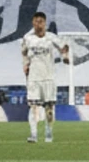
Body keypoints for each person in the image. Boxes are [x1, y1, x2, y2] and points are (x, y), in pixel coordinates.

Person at [20, 11, 69, 144]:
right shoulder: (28, 38)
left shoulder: (51, 37)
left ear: (45, 23)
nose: (38, 24)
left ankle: (48, 132)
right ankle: (33, 134)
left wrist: (65, 57)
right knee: (33, 106)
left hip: (48, 78)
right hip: (34, 78)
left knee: (49, 108)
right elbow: (24, 52)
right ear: (33, 22)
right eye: (36, 21)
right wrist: (25, 65)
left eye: (41, 21)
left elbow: (64, 46)